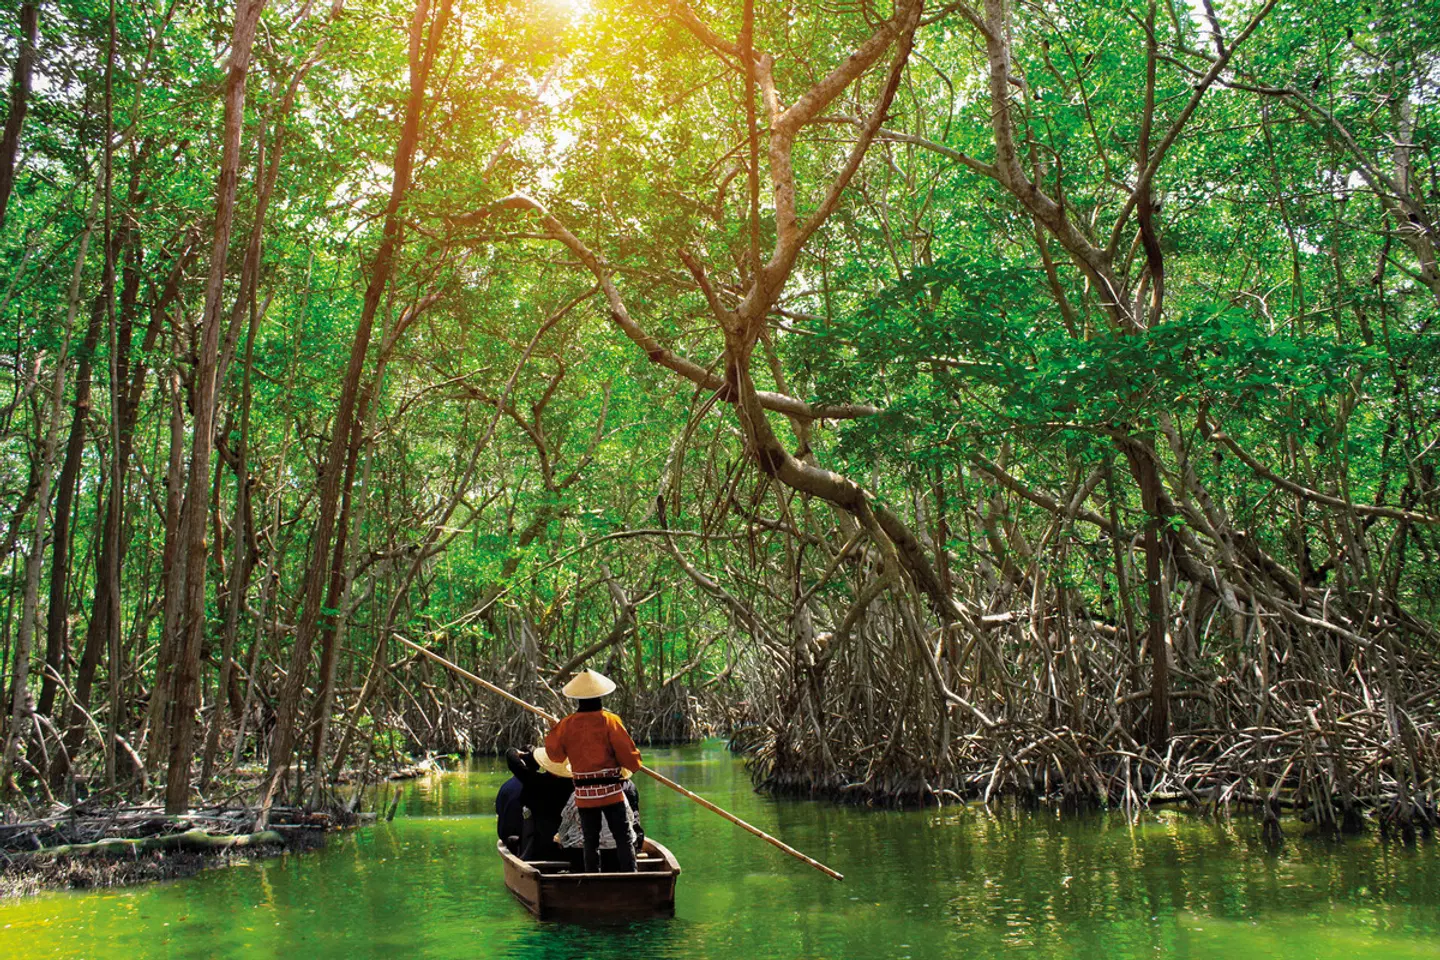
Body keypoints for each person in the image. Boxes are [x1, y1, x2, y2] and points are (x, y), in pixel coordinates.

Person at [542, 668, 642, 872]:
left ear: (578, 698)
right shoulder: (610, 721)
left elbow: (555, 756)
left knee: (590, 840)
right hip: (611, 793)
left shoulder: (567, 724)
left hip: (584, 795)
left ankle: (592, 878)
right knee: (622, 837)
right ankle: (631, 876)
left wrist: (556, 730)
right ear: (600, 695)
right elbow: (630, 759)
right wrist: (632, 764)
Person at [555, 775, 644, 871]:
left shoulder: (578, 795)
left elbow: (565, 823)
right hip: (615, 851)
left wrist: (561, 840)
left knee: (581, 843)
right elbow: (630, 822)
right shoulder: (618, 794)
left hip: (581, 852)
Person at [518, 746, 574, 861]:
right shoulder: (572, 786)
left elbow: (512, 761)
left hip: (541, 845)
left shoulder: (536, 782)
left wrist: (524, 755)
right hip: (566, 845)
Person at [495, 748, 530, 854]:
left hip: (508, 835)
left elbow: (498, 810)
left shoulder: (505, 786)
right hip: (525, 836)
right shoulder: (539, 784)